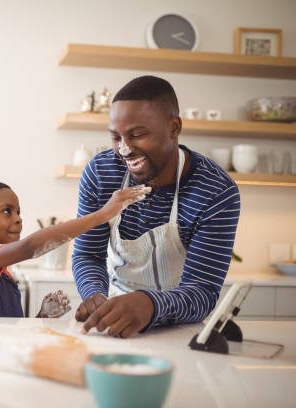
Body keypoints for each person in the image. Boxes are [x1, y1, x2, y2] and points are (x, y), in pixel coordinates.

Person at [73, 75, 241, 338]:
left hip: (180, 329)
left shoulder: (215, 191)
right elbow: (88, 255)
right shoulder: (101, 173)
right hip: (112, 321)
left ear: (174, 127)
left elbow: (202, 291)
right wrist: (95, 295)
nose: (125, 149)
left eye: (137, 135)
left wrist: (150, 305)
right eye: (116, 137)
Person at [0, 181, 150, 317]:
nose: (18, 218)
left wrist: (42, 316)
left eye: (18, 212)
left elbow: (10, 328)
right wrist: (103, 214)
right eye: (7, 211)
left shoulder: (3, 272)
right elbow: (30, 247)